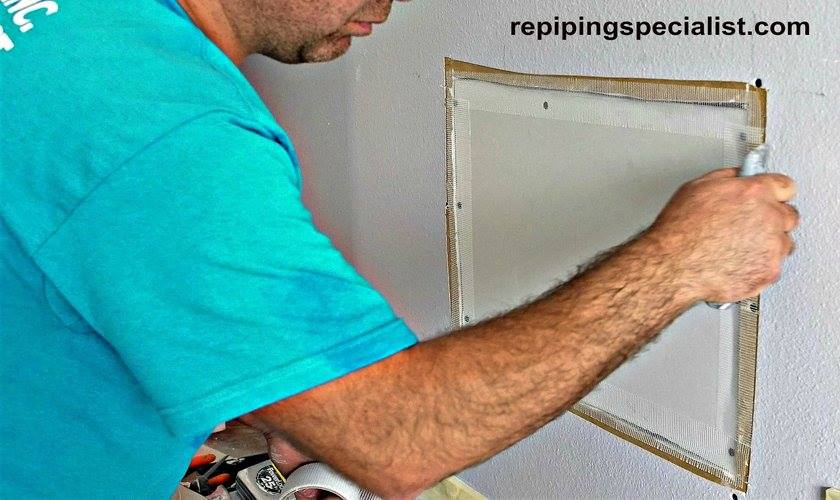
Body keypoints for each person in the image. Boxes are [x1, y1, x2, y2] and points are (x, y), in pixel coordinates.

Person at [0, 0, 798, 497]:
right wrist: (677, 262)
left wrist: (280, 387)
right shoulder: (168, 133)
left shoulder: (76, 29)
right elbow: (397, 439)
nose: (388, 5)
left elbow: (65, 269)